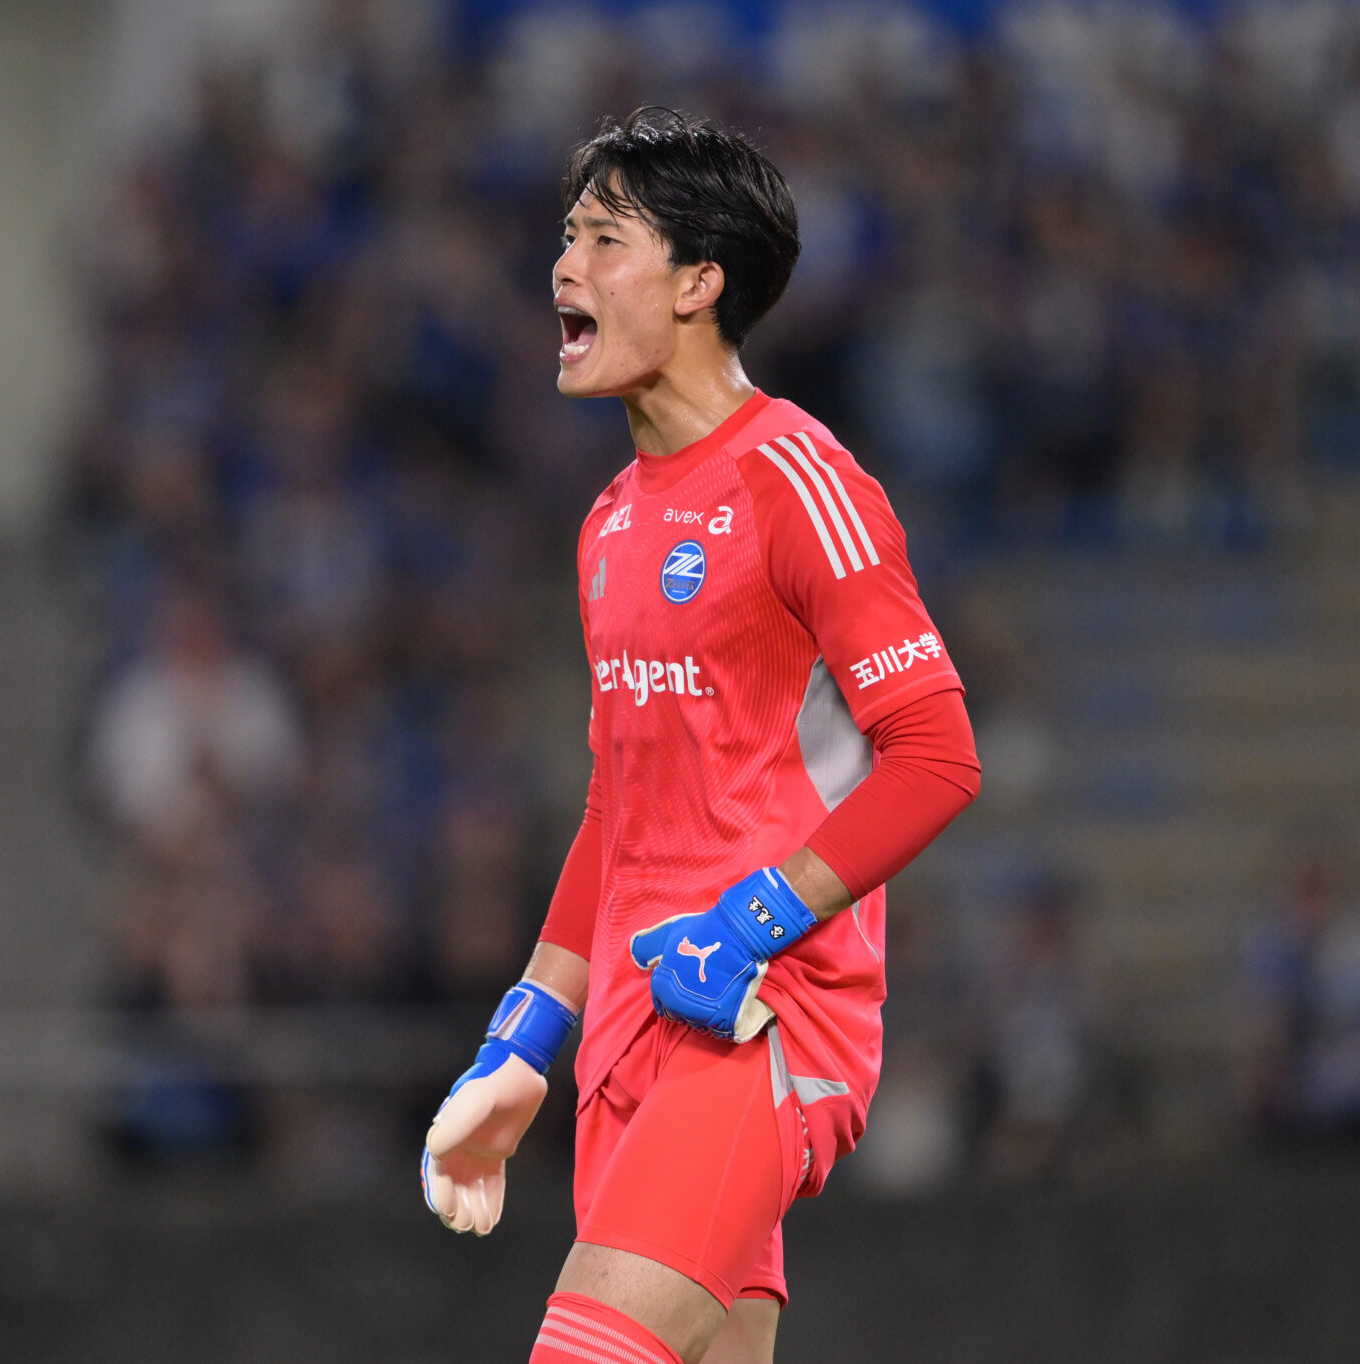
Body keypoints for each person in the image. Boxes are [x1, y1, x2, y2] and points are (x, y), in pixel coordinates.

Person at [420, 109, 982, 1364]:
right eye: (564, 238)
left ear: (697, 282)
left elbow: (937, 755)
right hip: (629, 1033)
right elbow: (616, 811)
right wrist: (523, 1040)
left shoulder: (798, 479)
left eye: (601, 240)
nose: (561, 269)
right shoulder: (608, 525)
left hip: (757, 1018)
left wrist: (750, 923)